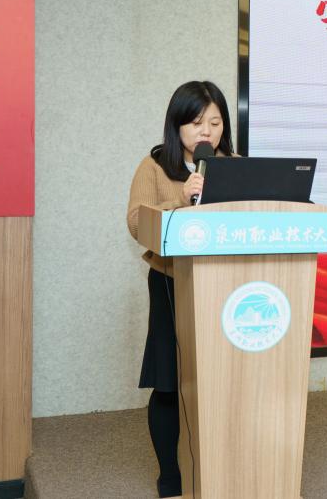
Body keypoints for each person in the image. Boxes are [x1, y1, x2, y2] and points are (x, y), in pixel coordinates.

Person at [126, 80, 234, 498]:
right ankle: (170, 475)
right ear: (177, 125)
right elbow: (137, 223)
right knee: (169, 380)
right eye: (197, 123)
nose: (207, 131)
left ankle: (222, 466)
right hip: (172, 283)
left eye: (215, 123)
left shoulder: (235, 165)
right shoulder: (154, 166)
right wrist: (180, 200)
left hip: (226, 283)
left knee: (223, 379)